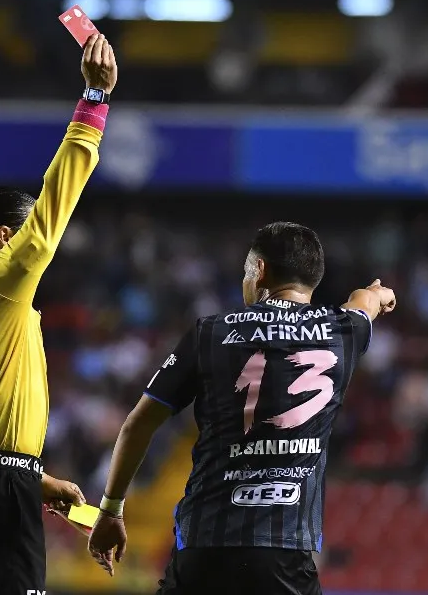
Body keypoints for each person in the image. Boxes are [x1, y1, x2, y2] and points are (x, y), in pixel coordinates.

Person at [87, 222, 397, 595]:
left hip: (205, 545)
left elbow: (138, 424)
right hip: (285, 552)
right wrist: (379, 294)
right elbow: (364, 303)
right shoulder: (344, 331)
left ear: (260, 271)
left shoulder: (209, 333)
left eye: (246, 271)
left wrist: (110, 509)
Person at [0, 33, 117, 594]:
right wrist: (94, 100)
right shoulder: (0, 284)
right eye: (28, 230)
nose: (43, 245)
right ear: (6, 238)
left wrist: (39, 480)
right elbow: (59, 197)